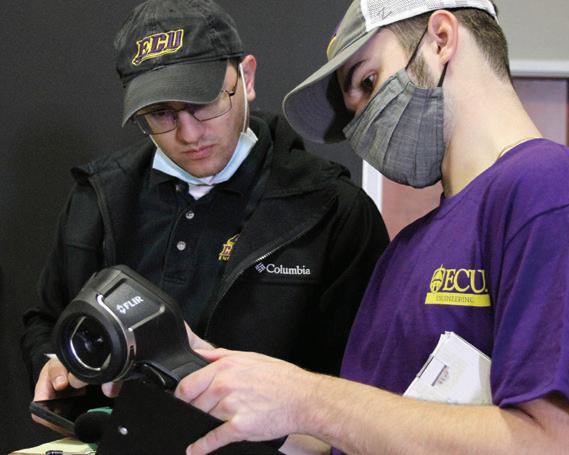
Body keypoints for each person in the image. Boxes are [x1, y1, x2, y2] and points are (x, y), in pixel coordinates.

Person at [173, 1, 569, 454]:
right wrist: (230, 384)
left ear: (441, 39)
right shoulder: (406, 250)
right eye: (351, 109)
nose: (361, 122)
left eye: (367, 82)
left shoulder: (552, 193)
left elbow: (568, 446)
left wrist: (307, 398)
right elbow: (364, 433)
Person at [20, 0, 388, 441]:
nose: (189, 134)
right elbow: (48, 319)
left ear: (246, 79)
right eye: (162, 114)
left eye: (204, 103)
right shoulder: (98, 198)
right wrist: (55, 365)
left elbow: (370, 380)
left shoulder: (331, 210)